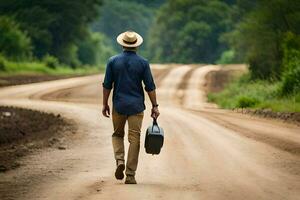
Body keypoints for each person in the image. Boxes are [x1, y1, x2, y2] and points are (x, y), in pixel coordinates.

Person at [102, 31, 160, 184]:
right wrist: (155, 106)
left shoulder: (112, 61)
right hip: (136, 106)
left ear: (122, 44)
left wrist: (104, 103)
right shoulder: (143, 63)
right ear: (137, 45)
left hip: (119, 105)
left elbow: (107, 85)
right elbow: (150, 87)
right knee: (135, 139)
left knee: (117, 135)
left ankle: (120, 160)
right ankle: (130, 175)